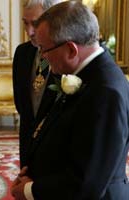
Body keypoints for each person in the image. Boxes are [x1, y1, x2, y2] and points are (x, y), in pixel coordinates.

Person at [11, 1, 129, 199]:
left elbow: (86, 183)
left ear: (71, 50)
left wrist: (29, 190)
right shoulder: (88, 74)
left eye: (44, 49)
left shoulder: (106, 92)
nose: (42, 57)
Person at [12, 0, 61, 168]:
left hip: (56, 146)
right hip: (27, 143)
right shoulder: (22, 53)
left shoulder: (66, 54)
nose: (29, 31)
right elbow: (21, 103)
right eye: (25, 23)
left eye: (35, 24)